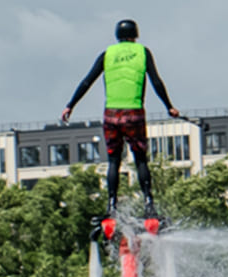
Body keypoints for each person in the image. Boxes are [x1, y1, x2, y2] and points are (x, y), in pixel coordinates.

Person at [61, 19, 180, 218]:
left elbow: (86, 81)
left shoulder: (107, 54)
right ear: (136, 35)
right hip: (134, 113)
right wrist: (169, 106)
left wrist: (70, 105)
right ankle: (149, 203)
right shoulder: (143, 52)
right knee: (140, 160)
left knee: (114, 161)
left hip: (111, 115)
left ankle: (112, 205)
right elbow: (156, 82)